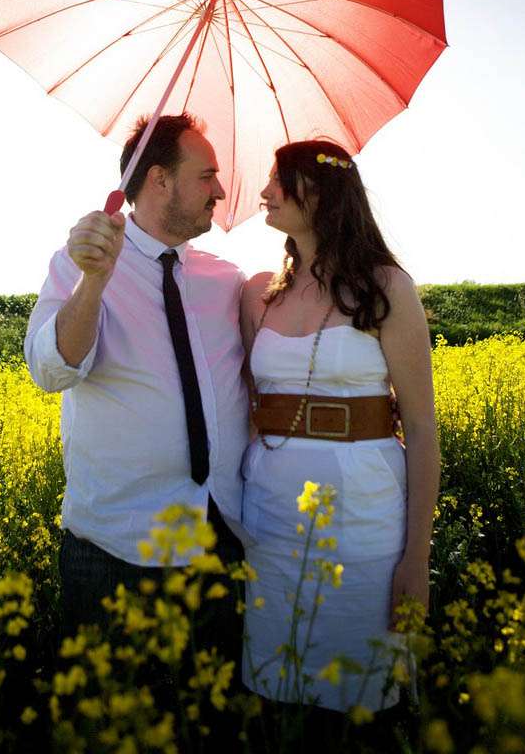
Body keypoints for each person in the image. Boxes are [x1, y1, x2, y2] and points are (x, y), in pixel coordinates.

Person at [24, 113, 248, 659]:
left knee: (211, 705)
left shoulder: (226, 280)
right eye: (207, 176)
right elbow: (51, 371)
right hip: (114, 549)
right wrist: (94, 281)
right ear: (159, 180)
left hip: (221, 536)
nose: (220, 192)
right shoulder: (79, 266)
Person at [239, 140, 440, 716]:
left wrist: (416, 559)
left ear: (322, 193)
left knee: (363, 696)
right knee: (277, 690)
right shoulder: (257, 294)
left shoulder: (386, 287)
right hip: (270, 517)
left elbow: (421, 427)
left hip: (364, 518)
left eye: (279, 180)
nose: (264, 193)